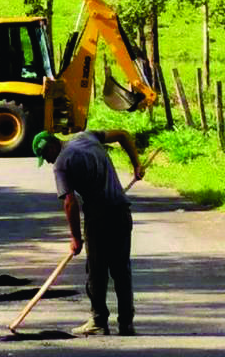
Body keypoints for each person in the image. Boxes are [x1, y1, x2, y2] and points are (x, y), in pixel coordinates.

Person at [32, 129, 143, 337]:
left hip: (98, 218)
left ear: (51, 146)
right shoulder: (87, 137)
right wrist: (136, 163)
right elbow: (123, 135)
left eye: (45, 156)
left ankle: (99, 321)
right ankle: (126, 323)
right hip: (121, 211)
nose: (47, 161)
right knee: (121, 269)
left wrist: (75, 237)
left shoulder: (62, 163)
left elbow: (69, 202)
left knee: (97, 271)